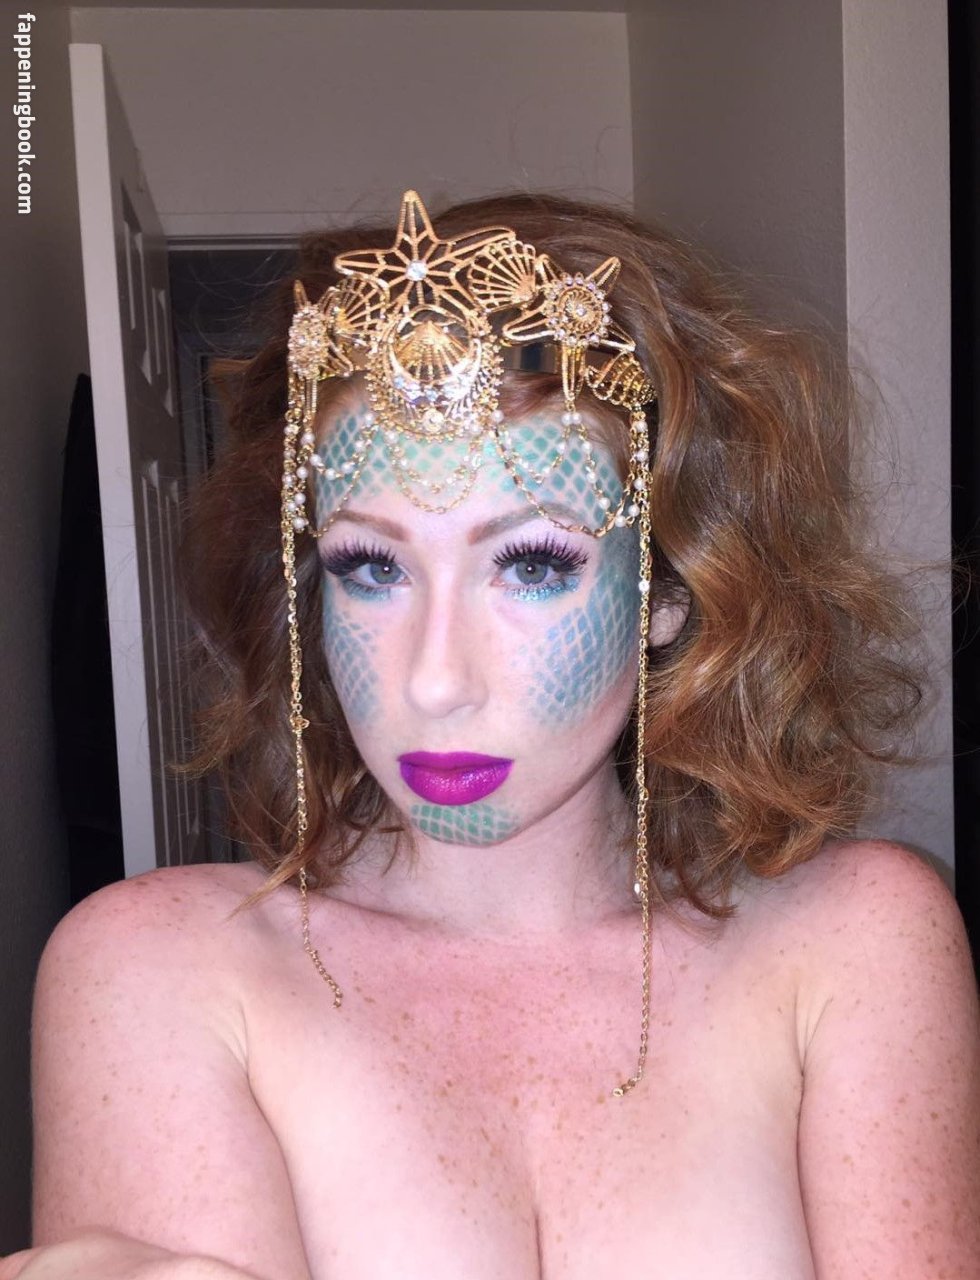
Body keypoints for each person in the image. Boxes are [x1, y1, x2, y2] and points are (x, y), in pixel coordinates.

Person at [4, 190, 978, 1280]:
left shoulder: (853, 945)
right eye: (370, 566)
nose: (434, 680)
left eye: (533, 563)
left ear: (668, 591)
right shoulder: (161, 971)